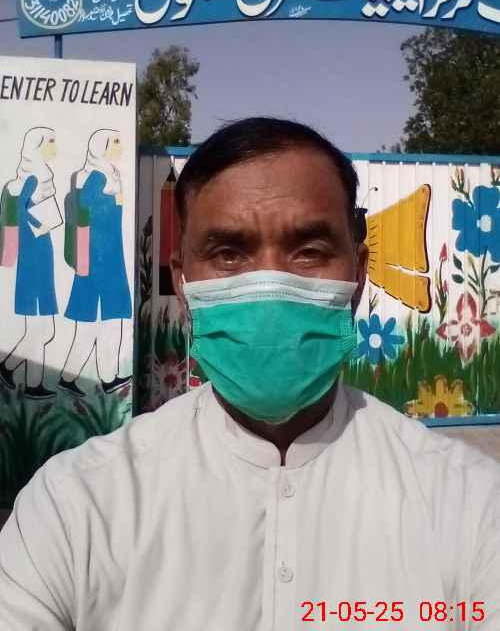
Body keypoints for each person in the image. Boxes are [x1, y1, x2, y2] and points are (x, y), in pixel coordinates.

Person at [1, 117, 499, 631]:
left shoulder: (467, 504)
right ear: (182, 280)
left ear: (359, 274)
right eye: (228, 253)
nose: (269, 285)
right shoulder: (76, 506)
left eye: (309, 251)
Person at [58, 129, 132, 396]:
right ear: (102, 147)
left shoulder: (105, 175)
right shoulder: (99, 177)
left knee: (89, 324)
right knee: (111, 321)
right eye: (115, 143)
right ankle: (107, 378)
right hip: (103, 261)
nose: (119, 147)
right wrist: (115, 198)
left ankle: (69, 377)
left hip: (97, 259)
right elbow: (93, 214)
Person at [0, 127, 60, 400]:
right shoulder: (34, 178)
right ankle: (29, 381)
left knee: (41, 327)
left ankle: (10, 369)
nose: (54, 147)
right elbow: (23, 214)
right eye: (50, 142)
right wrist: (42, 224)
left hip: (36, 258)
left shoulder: (32, 176)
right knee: (41, 327)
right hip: (35, 259)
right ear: (37, 146)